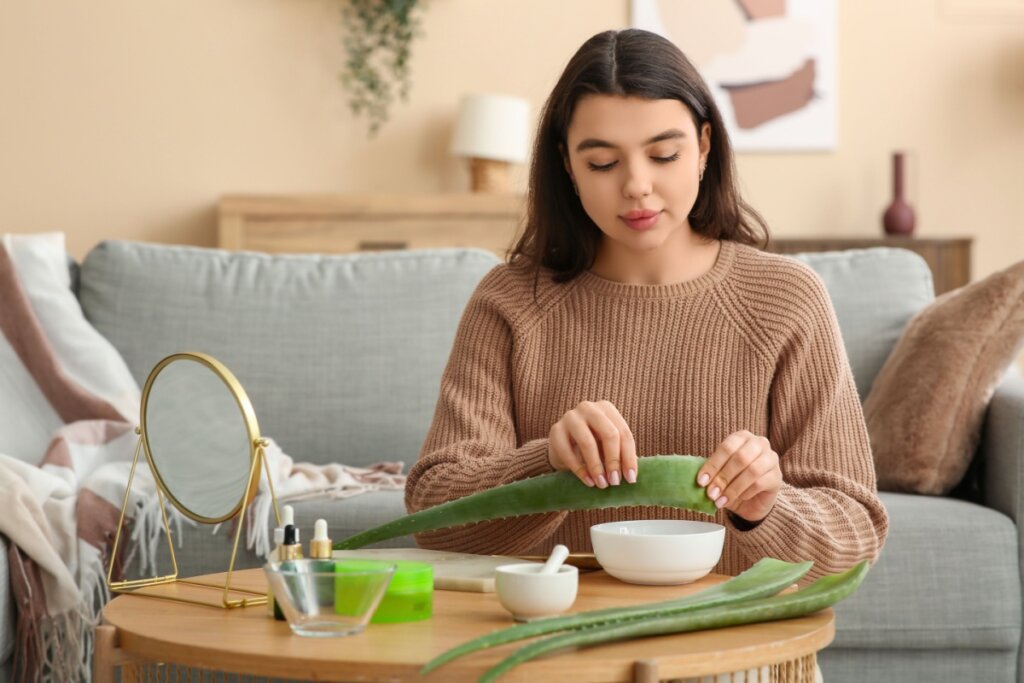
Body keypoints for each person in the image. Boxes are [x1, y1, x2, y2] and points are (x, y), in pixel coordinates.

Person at [405, 28, 888, 579]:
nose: (636, 185)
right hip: (559, 644)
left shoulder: (786, 299)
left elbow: (855, 536)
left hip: (729, 647)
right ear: (567, 165)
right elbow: (433, 516)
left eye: (663, 154)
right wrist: (547, 464)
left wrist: (766, 508)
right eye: (603, 164)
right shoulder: (511, 302)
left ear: (704, 146)